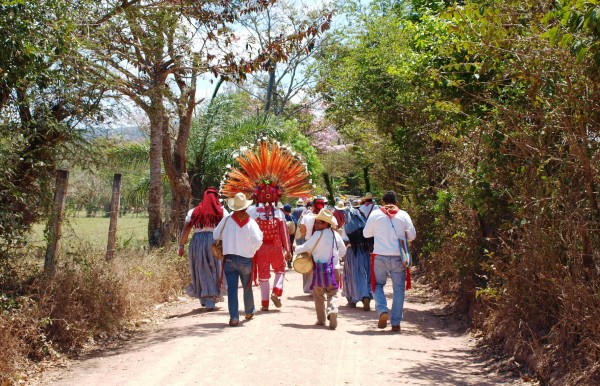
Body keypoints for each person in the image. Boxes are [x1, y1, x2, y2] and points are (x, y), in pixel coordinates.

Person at [363, 191, 416, 332]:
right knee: (398, 290)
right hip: (399, 257)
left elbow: (366, 234)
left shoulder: (375, 214)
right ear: (396, 202)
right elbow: (412, 236)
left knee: (377, 285)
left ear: (383, 202)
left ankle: (382, 310)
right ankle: (396, 322)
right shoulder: (403, 215)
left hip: (379, 256)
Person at [213, 192, 263, 327]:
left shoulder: (226, 220)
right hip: (246, 259)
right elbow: (258, 240)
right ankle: (248, 311)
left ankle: (234, 317)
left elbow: (216, 234)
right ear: (246, 207)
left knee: (232, 289)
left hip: (229, 259)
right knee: (247, 287)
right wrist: (251, 251)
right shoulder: (251, 222)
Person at [294, 209, 346, 330]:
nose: (316, 224)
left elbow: (306, 247)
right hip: (334, 269)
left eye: (319, 222)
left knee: (318, 295)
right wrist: (337, 258)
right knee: (333, 293)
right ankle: (332, 309)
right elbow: (343, 250)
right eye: (316, 222)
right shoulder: (335, 234)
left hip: (318, 269)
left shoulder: (317, 235)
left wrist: (295, 250)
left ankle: (321, 319)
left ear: (326, 224)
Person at [178, 187, 228, 311]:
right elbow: (227, 229)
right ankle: (210, 300)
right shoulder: (222, 211)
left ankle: (204, 298)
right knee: (213, 268)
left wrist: (181, 245)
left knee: (200, 268)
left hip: (197, 242)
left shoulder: (193, 212)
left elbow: (186, 229)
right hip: (214, 241)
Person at [253, 202, 291, 311]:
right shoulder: (279, 213)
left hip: (261, 249)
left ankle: (265, 304)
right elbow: (284, 232)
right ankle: (276, 291)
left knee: (263, 276)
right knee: (279, 270)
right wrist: (288, 250)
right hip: (276, 247)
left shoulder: (255, 214)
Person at [341, 199, 372, 310]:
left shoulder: (348, 221)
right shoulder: (363, 219)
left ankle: (352, 299)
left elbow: (344, 239)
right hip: (364, 251)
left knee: (351, 274)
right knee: (364, 273)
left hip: (352, 252)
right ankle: (366, 295)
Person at [298, 196, 328, 294]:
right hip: (323, 244)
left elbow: (302, 230)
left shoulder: (307, 217)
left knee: (308, 265)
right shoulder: (327, 217)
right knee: (321, 264)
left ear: (313, 205)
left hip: (309, 244)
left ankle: (310, 288)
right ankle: (322, 286)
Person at [282, 204, 296, 269]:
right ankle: (289, 262)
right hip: (291, 235)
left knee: (283, 248)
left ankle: (282, 262)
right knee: (290, 248)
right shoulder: (292, 217)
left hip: (283, 235)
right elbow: (295, 225)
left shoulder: (282, 217)